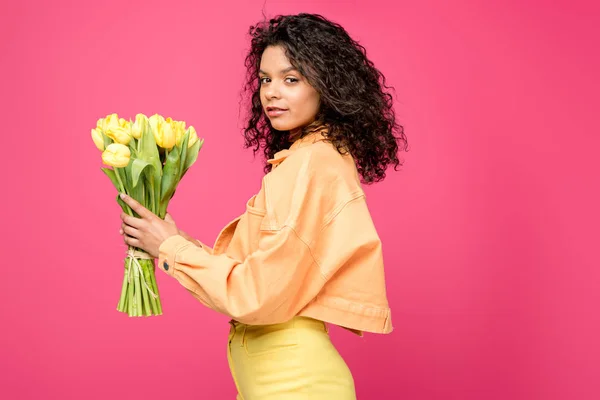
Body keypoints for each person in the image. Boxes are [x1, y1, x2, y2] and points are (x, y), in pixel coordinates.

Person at [118, 12, 408, 400]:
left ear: (328, 85)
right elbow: (259, 273)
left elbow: (258, 296)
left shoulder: (311, 164)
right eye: (265, 79)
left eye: (291, 79)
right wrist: (172, 238)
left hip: (293, 386)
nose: (271, 93)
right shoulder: (312, 158)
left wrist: (171, 249)